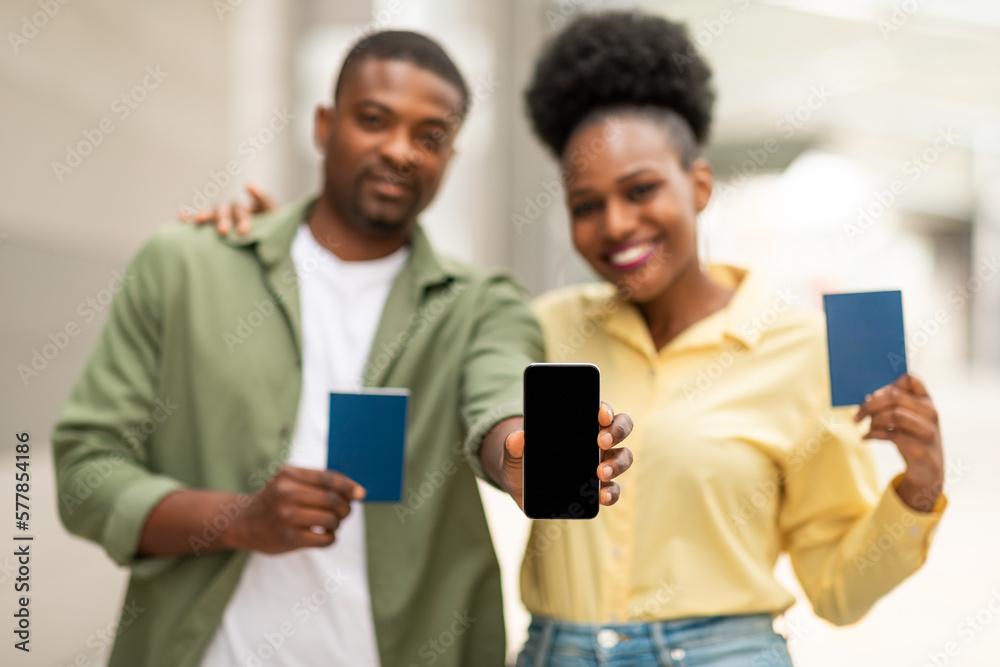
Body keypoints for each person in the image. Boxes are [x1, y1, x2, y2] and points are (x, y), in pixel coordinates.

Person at [197, 12, 948, 666]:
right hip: (556, 650)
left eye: (642, 189)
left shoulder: (799, 349)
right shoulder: (541, 324)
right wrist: (287, 246)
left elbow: (839, 592)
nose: (616, 225)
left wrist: (916, 490)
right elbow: (390, 340)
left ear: (700, 185)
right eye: (587, 204)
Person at [52, 30, 633, 667]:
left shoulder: (480, 302)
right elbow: (86, 473)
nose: (400, 150)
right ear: (325, 125)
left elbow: (496, 389)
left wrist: (514, 450)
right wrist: (241, 518)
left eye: (430, 136)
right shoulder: (186, 267)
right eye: (374, 120)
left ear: (451, 155)